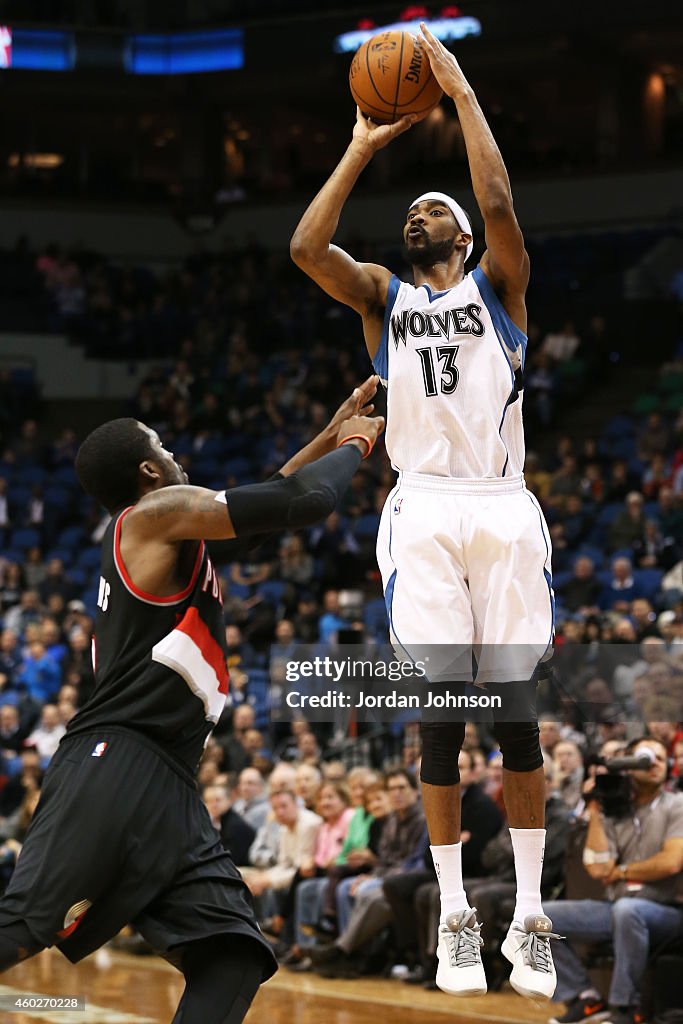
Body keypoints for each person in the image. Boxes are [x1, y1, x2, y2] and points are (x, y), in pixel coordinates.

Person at [291, 22, 557, 1001]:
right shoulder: (380, 302)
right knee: (442, 720)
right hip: (425, 509)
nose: (420, 212)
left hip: (499, 506)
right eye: (410, 209)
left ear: (461, 234)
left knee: (518, 722)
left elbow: (494, 197)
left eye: (431, 204)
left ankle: (527, 914)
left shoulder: (501, 288)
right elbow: (304, 245)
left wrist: (456, 89)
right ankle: (452, 912)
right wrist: (362, 147)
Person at [0, 379, 384, 1024]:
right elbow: (307, 501)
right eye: (164, 446)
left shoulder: (170, 534)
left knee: (230, 957)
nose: (177, 453)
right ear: (151, 470)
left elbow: (265, 507)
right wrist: (357, 445)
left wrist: (328, 430)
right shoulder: (151, 515)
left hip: (168, 778)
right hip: (116, 756)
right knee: (23, 922)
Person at [545, 738, 683, 1024]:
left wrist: (620, 871)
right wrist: (595, 808)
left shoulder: (677, 804)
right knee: (535, 918)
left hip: (666, 910)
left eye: (660, 758)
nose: (656, 764)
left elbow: (671, 862)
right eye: (646, 758)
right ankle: (584, 998)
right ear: (628, 766)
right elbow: (596, 867)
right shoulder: (615, 809)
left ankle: (624, 1008)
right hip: (617, 906)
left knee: (627, 912)